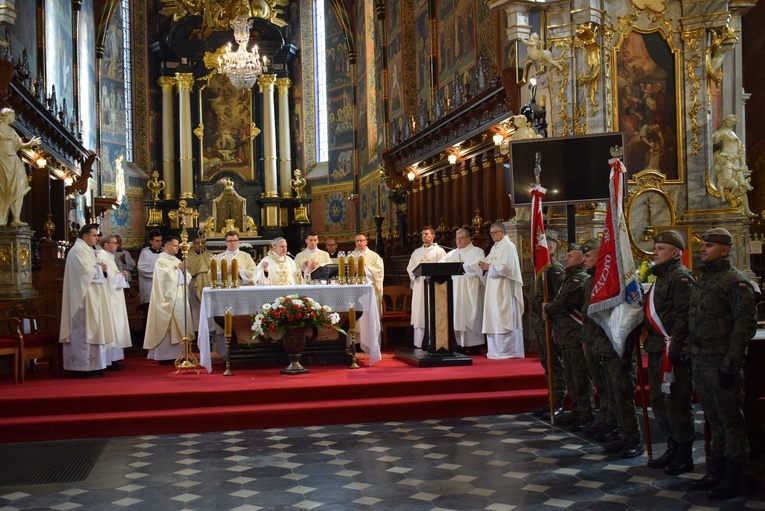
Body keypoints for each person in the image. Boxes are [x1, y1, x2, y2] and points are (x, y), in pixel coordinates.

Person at [687, 228, 757, 499]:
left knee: (730, 421)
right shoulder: (703, 280)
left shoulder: (735, 282)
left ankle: (733, 476)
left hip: (721, 362)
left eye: (708, 246)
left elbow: (743, 327)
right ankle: (716, 470)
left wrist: (729, 365)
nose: (702, 249)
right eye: (702, 245)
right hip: (701, 360)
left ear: (724, 250)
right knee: (713, 420)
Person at [581, 238, 644, 458]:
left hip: (618, 349)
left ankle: (634, 438)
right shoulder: (594, 281)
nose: (584, 259)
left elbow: (630, 315)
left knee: (623, 396)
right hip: (602, 346)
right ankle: (621, 433)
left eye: (588, 255)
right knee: (612, 394)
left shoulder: (619, 281)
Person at [643, 231, 696, 475]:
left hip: (674, 351)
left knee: (676, 403)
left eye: (661, 248)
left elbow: (683, 316)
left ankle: (684, 455)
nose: (655, 252)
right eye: (656, 248)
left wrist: (675, 348)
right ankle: (672, 447)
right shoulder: (661, 277)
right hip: (657, 349)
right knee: (660, 402)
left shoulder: (680, 277)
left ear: (675, 253)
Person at [544, 243, 592, 430]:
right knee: (571, 377)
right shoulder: (568, 278)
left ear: (580, 259)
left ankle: (586, 413)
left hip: (576, 335)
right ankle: (577, 410)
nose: (566, 258)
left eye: (571, 256)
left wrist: (547, 308)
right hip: (566, 334)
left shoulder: (579, 280)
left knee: (580, 377)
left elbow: (563, 304)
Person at [59, 224, 109, 378]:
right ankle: (81, 366)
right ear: (85, 236)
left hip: (91, 296)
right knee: (83, 330)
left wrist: (101, 268)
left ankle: (94, 365)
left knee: (93, 328)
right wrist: (99, 268)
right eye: (94, 235)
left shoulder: (88, 250)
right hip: (82, 298)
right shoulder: (77, 250)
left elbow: (93, 269)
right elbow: (84, 272)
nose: (97, 238)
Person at [530, 230, 566, 419]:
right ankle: (550, 399)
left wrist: (553, 325)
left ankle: (558, 402)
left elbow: (560, 297)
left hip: (550, 324)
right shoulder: (541, 267)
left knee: (555, 365)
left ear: (550, 247)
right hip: (539, 324)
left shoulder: (554, 268)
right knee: (547, 364)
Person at [143, 235, 195, 364]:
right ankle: (165, 356)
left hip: (179, 298)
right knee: (168, 327)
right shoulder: (161, 260)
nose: (178, 248)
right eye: (176, 246)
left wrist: (181, 270)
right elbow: (166, 279)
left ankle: (181, 354)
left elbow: (188, 277)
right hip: (168, 300)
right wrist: (179, 271)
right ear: (167, 246)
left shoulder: (174, 259)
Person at [478, 222, 525, 359]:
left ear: (502, 232)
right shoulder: (495, 247)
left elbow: (507, 268)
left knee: (504, 317)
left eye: (495, 233)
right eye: (491, 233)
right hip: (494, 288)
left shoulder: (509, 247)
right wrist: (482, 265)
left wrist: (489, 267)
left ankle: (508, 352)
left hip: (504, 288)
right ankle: (495, 351)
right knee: (494, 316)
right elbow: (488, 263)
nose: (492, 236)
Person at [442, 228, 485, 355]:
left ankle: (474, 345)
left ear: (468, 239)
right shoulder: (451, 254)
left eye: (461, 238)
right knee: (456, 315)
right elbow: (442, 266)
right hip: (455, 291)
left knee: (470, 314)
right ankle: (458, 345)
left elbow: (478, 265)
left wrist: (461, 267)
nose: (459, 241)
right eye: (457, 239)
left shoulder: (477, 251)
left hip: (469, 290)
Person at [406, 226, 447, 349]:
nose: (424, 236)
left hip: (434, 285)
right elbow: (410, 267)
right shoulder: (416, 252)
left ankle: (434, 342)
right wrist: (415, 276)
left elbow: (443, 266)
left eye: (427, 234)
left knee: (433, 312)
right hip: (419, 285)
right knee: (420, 313)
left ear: (433, 236)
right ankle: (418, 343)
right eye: (423, 234)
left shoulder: (439, 251)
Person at [97, 234, 132, 369]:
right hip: (109, 298)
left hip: (116, 297)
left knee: (117, 326)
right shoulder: (101, 256)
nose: (117, 245)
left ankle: (115, 358)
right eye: (114, 243)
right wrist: (119, 275)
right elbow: (107, 278)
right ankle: (109, 359)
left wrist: (121, 274)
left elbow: (112, 275)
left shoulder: (109, 257)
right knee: (112, 326)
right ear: (106, 245)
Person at [0, 107, 38, 226]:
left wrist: (29, 144)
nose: (14, 118)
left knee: (19, 188)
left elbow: (18, 145)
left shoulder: (12, 131)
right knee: (4, 189)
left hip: (14, 160)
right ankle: (2, 217)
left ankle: (16, 218)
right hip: (2, 159)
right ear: (6, 116)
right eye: (12, 116)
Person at [354, 233, 385, 313]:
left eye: (361, 240)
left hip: (371, 288)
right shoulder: (350, 257)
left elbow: (379, 271)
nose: (359, 243)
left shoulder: (374, 256)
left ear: (366, 242)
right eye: (357, 241)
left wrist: (364, 270)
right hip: (355, 288)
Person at [137, 229, 164, 304]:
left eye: (161, 241)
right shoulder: (145, 252)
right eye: (157, 241)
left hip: (162, 284)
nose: (159, 243)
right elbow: (142, 268)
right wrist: (158, 272)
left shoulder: (164, 252)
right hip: (149, 283)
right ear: (151, 241)